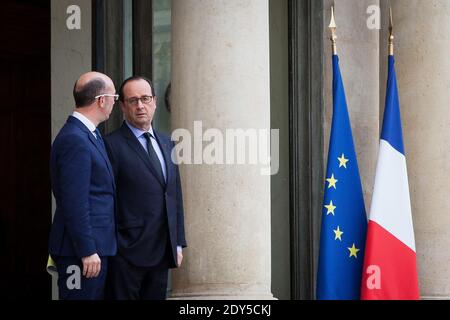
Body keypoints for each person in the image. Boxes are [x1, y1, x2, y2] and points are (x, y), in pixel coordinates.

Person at [104, 76, 187, 300]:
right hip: (126, 255)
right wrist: (115, 245)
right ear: (122, 106)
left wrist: (178, 242)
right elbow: (106, 200)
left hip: (161, 252)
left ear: (155, 102)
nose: (140, 105)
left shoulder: (167, 142)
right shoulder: (110, 145)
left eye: (145, 98)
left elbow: (173, 193)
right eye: (133, 100)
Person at [48, 71, 118, 300]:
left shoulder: (90, 135)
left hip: (95, 251)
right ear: (101, 100)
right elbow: (74, 201)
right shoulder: (74, 139)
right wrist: (87, 249)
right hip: (81, 253)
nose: (113, 104)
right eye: (114, 98)